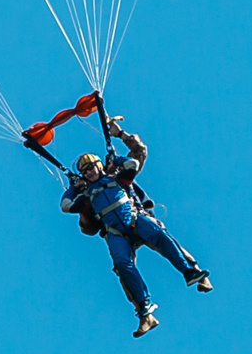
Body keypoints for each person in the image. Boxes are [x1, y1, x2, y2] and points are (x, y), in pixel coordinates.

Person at [60, 116, 212, 337]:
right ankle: (145, 314)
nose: (91, 172)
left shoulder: (117, 176)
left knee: (160, 235)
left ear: (101, 165)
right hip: (114, 232)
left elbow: (137, 157)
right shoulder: (85, 195)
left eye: (94, 167)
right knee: (123, 265)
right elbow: (66, 206)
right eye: (87, 171)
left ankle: (193, 272)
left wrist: (120, 138)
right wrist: (75, 188)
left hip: (136, 216)